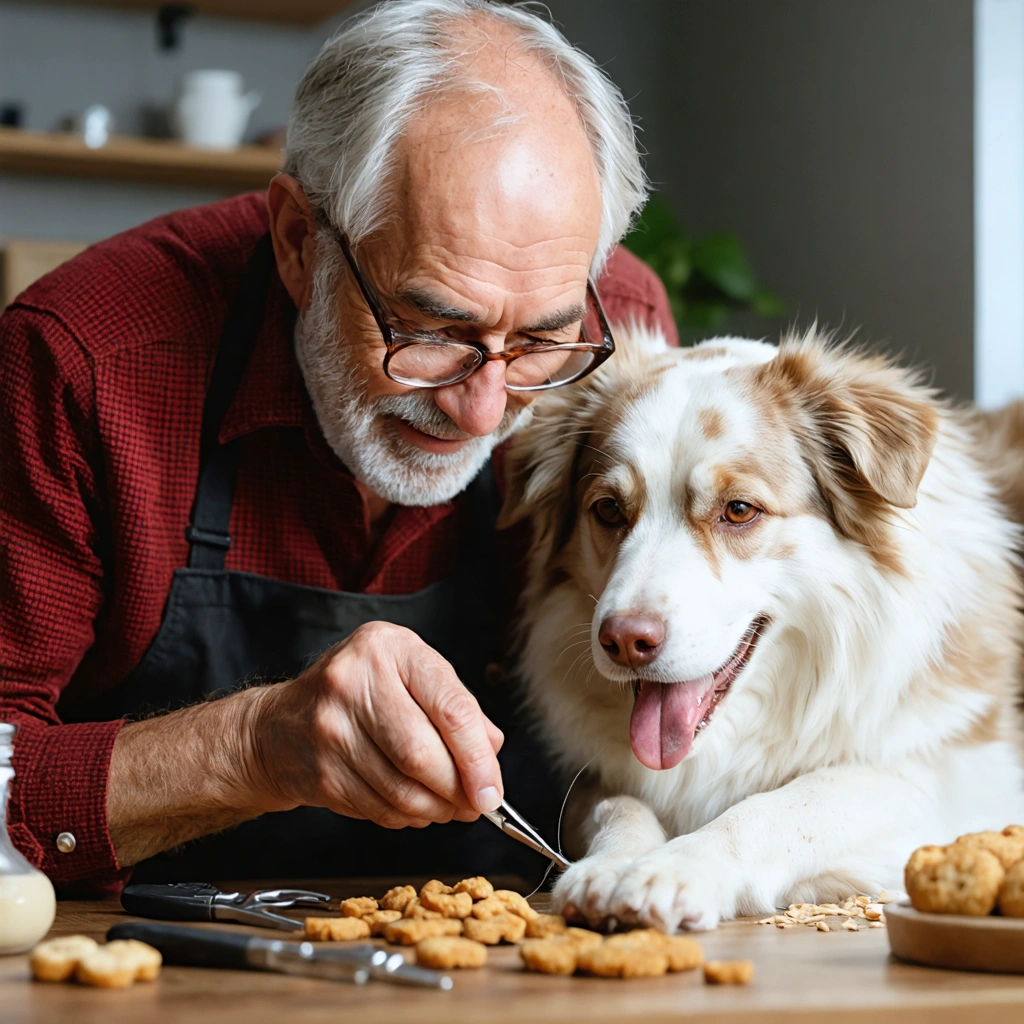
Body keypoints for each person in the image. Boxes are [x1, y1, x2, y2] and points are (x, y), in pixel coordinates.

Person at [0, 0, 676, 892]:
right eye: (433, 328)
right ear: (297, 244)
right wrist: (252, 746)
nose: (482, 413)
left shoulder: (618, 342)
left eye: (539, 342)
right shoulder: (84, 363)